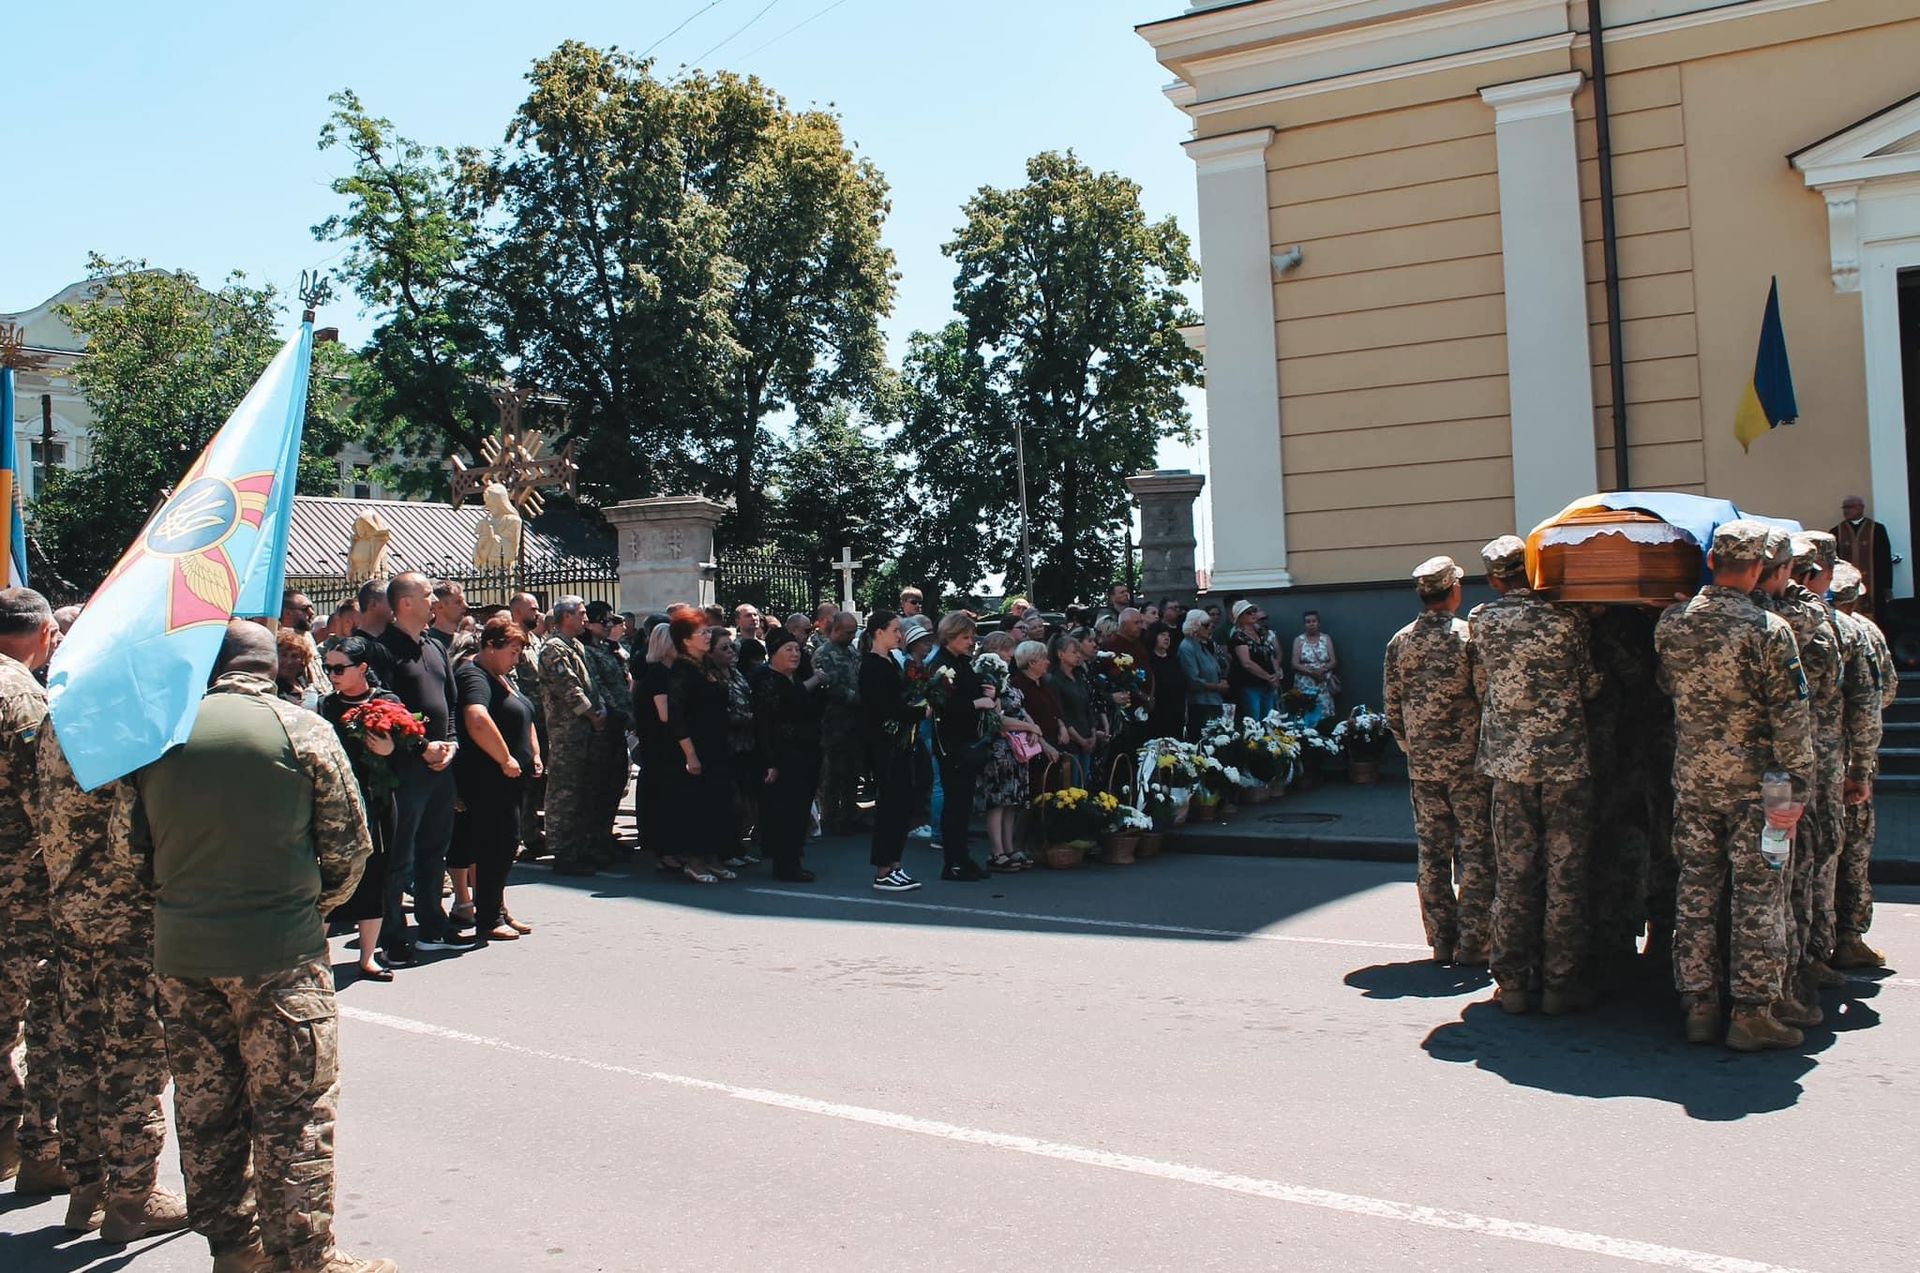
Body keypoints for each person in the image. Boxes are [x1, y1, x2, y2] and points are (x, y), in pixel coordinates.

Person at [131, 621, 391, 1273]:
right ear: (272, 666)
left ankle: (235, 1248)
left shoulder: (161, 733)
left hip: (184, 954)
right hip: (279, 954)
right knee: (294, 1106)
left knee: (206, 1108)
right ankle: (306, 1256)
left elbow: (128, 851)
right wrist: (310, 907)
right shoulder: (300, 729)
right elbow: (349, 847)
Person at [1655, 521, 1814, 1051]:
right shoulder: (1769, 630)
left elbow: (1667, 686)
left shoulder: (1672, 624)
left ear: (1711, 563)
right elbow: (1791, 719)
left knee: (1696, 890)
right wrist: (1797, 792)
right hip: (1759, 790)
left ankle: (1698, 1005)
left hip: (1695, 782)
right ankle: (1750, 1012)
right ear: (1756, 569)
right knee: (1758, 894)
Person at [36, 716, 190, 1241]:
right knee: (134, 1058)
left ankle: (88, 1193)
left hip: (72, 904)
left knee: (80, 1049)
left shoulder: (60, 717)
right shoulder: (138, 730)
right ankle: (132, 1196)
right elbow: (140, 829)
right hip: (128, 915)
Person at [1469, 536, 1602, 1016]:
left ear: (1493, 579)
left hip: (1508, 765)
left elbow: (1482, 684)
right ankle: (1559, 983)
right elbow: (1589, 684)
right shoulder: (1566, 620)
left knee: (1514, 872)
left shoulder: (1482, 622)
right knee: (1563, 874)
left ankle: (1513, 983)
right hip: (1563, 762)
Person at [1383, 557, 1493, 967]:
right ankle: (1473, 941)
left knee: (1432, 855)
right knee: (1477, 852)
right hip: (1467, 766)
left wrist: (1412, 748)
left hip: (1423, 766)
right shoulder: (1468, 638)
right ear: (1453, 591)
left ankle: (1441, 940)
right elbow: (1485, 696)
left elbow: (1391, 706)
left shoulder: (1401, 641)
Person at [0, 587, 63, 1194]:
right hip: (21, 892)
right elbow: (45, 800)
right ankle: (42, 1150)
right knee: (49, 1021)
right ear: (45, 634)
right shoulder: (21, 697)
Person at [380, 572, 468, 954]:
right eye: (428, 594)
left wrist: (449, 743)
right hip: (406, 767)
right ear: (405, 604)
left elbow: (449, 703)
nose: (435, 601)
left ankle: (433, 921)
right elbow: (384, 710)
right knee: (400, 853)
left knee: (436, 847)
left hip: (441, 764)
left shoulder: (434, 647)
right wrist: (420, 748)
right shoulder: (383, 650)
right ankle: (394, 935)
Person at [317, 638, 404, 981]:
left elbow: (409, 749)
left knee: (375, 875)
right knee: (328, 880)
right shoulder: (325, 706)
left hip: (376, 800)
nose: (333, 675)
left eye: (340, 668)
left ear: (363, 668)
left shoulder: (387, 702)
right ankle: (316, 958)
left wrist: (389, 749)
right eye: (328, 668)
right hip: (334, 803)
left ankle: (368, 957)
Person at [455, 617, 541, 942]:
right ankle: (488, 917)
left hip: (509, 780)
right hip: (487, 778)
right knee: (496, 846)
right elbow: (476, 718)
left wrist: (533, 753)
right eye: (512, 650)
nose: (516, 658)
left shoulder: (502, 676)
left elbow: (524, 714)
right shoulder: (473, 675)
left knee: (504, 845)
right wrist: (505, 757)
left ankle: (497, 908)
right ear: (490, 646)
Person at [1829, 560, 1895, 969]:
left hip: (1810, 762)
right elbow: (1882, 695)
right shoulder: (1863, 632)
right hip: (1850, 757)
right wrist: (1862, 766)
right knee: (1852, 851)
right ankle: (1848, 936)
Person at [662, 605, 734, 883]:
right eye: (701, 632)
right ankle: (694, 861)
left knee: (717, 802)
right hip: (694, 746)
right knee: (696, 805)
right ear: (685, 639)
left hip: (715, 743)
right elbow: (677, 715)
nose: (707, 636)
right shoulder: (682, 669)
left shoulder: (706, 665)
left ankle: (712, 857)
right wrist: (690, 755)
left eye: (707, 631)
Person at [538, 596, 607, 877]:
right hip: (567, 731)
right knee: (564, 793)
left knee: (584, 790)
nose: (585, 620)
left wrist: (600, 708)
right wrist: (592, 715)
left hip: (585, 730)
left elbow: (591, 684)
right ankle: (563, 851)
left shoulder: (577, 646)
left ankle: (582, 846)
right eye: (580, 614)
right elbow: (569, 689)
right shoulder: (554, 649)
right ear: (566, 617)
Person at [860, 611, 924, 892]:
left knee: (902, 805)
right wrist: (917, 711)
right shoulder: (872, 665)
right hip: (884, 744)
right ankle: (883, 868)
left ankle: (895, 863)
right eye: (895, 629)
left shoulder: (893, 661)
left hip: (900, 742)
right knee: (889, 806)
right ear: (878, 632)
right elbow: (883, 707)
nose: (900, 635)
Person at [976, 632, 1050, 872]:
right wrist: (1029, 726)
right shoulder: (987, 679)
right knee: (997, 802)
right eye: (1007, 650)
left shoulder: (1006, 679)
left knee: (1012, 801)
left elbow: (1019, 707)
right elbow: (996, 719)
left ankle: (1009, 847)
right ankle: (997, 851)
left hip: (1015, 749)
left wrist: (1033, 728)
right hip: (998, 749)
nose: (1010, 655)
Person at [754, 629, 824, 882]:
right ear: (774, 653)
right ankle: (785, 864)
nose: (795, 654)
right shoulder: (766, 679)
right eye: (788, 650)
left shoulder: (796, 678)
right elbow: (764, 723)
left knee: (799, 810)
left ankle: (793, 859)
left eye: (797, 649)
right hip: (783, 756)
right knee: (786, 812)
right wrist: (770, 761)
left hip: (805, 753)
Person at [929, 612, 994, 881]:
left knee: (963, 804)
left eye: (972, 636)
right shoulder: (940, 665)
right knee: (955, 804)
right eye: (965, 637)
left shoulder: (963, 662)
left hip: (967, 740)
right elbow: (944, 705)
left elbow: (971, 687)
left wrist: (987, 690)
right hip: (951, 744)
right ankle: (953, 861)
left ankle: (962, 857)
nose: (971, 642)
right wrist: (976, 704)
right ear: (950, 637)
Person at [582, 601, 633, 866]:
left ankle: (605, 834)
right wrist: (619, 714)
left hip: (619, 725)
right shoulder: (588, 652)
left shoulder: (609, 650)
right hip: (604, 728)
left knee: (615, 783)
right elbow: (598, 688)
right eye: (605, 621)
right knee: (599, 786)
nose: (610, 625)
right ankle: (593, 841)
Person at [635, 621, 682, 873]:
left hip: (666, 744)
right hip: (660, 745)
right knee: (663, 797)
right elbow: (665, 714)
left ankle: (668, 847)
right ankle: (663, 850)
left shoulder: (670, 671)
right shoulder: (658, 675)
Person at [814, 611, 864, 833]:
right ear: (834, 630)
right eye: (848, 632)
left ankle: (850, 815)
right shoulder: (824, 654)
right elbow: (830, 687)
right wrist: (858, 698)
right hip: (833, 721)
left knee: (853, 770)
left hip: (854, 722)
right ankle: (831, 818)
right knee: (833, 772)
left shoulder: (852, 651)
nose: (852, 636)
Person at [509, 591, 548, 859]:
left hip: (543, 719)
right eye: (532, 609)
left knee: (538, 779)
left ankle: (533, 832)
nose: (536, 613)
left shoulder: (535, 640)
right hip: (525, 719)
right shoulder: (512, 640)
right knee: (525, 781)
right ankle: (523, 835)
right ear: (518, 611)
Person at [1831, 494, 1894, 623]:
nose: (1846, 511)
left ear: (1861, 508)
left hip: (1874, 583)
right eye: (1844, 508)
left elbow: (1885, 559)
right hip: (1846, 585)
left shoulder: (1877, 530)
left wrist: (1887, 586)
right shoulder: (1836, 532)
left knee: (1878, 617)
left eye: (1850, 507)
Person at [1227, 600, 1281, 724]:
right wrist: (1268, 677)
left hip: (1267, 685)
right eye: (1248, 612)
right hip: (1249, 685)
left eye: (1254, 611)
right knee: (1254, 721)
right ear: (1240, 617)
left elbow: (1271, 654)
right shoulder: (1238, 637)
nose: (1252, 614)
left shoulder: (1261, 634)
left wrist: (1276, 674)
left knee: (1270, 721)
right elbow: (1247, 663)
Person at [1178, 609, 1229, 741]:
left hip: (1214, 701)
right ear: (1195, 626)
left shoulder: (1206, 645)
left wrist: (1223, 679)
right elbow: (1192, 680)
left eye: (1211, 625)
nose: (1210, 628)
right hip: (1199, 704)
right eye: (1206, 625)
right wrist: (1218, 687)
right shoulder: (1187, 647)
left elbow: (1219, 666)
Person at [1291, 610, 1339, 724]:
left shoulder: (1326, 639)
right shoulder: (1299, 640)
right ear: (1304, 624)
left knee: (1324, 714)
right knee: (1306, 713)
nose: (1311, 624)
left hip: (1323, 683)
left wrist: (1322, 670)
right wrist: (1311, 672)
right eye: (1308, 622)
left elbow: (1333, 661)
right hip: (1305, 683)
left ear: (1318, 623)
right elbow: (1295, 663)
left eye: (1314, 621)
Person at [1144, 622, 1188, 742]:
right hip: (1158, 712)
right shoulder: (1148, 660)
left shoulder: (1173, 659)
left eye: (1168, 635)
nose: (1166, 638)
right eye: (1162, 635)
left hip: (1176, 711)